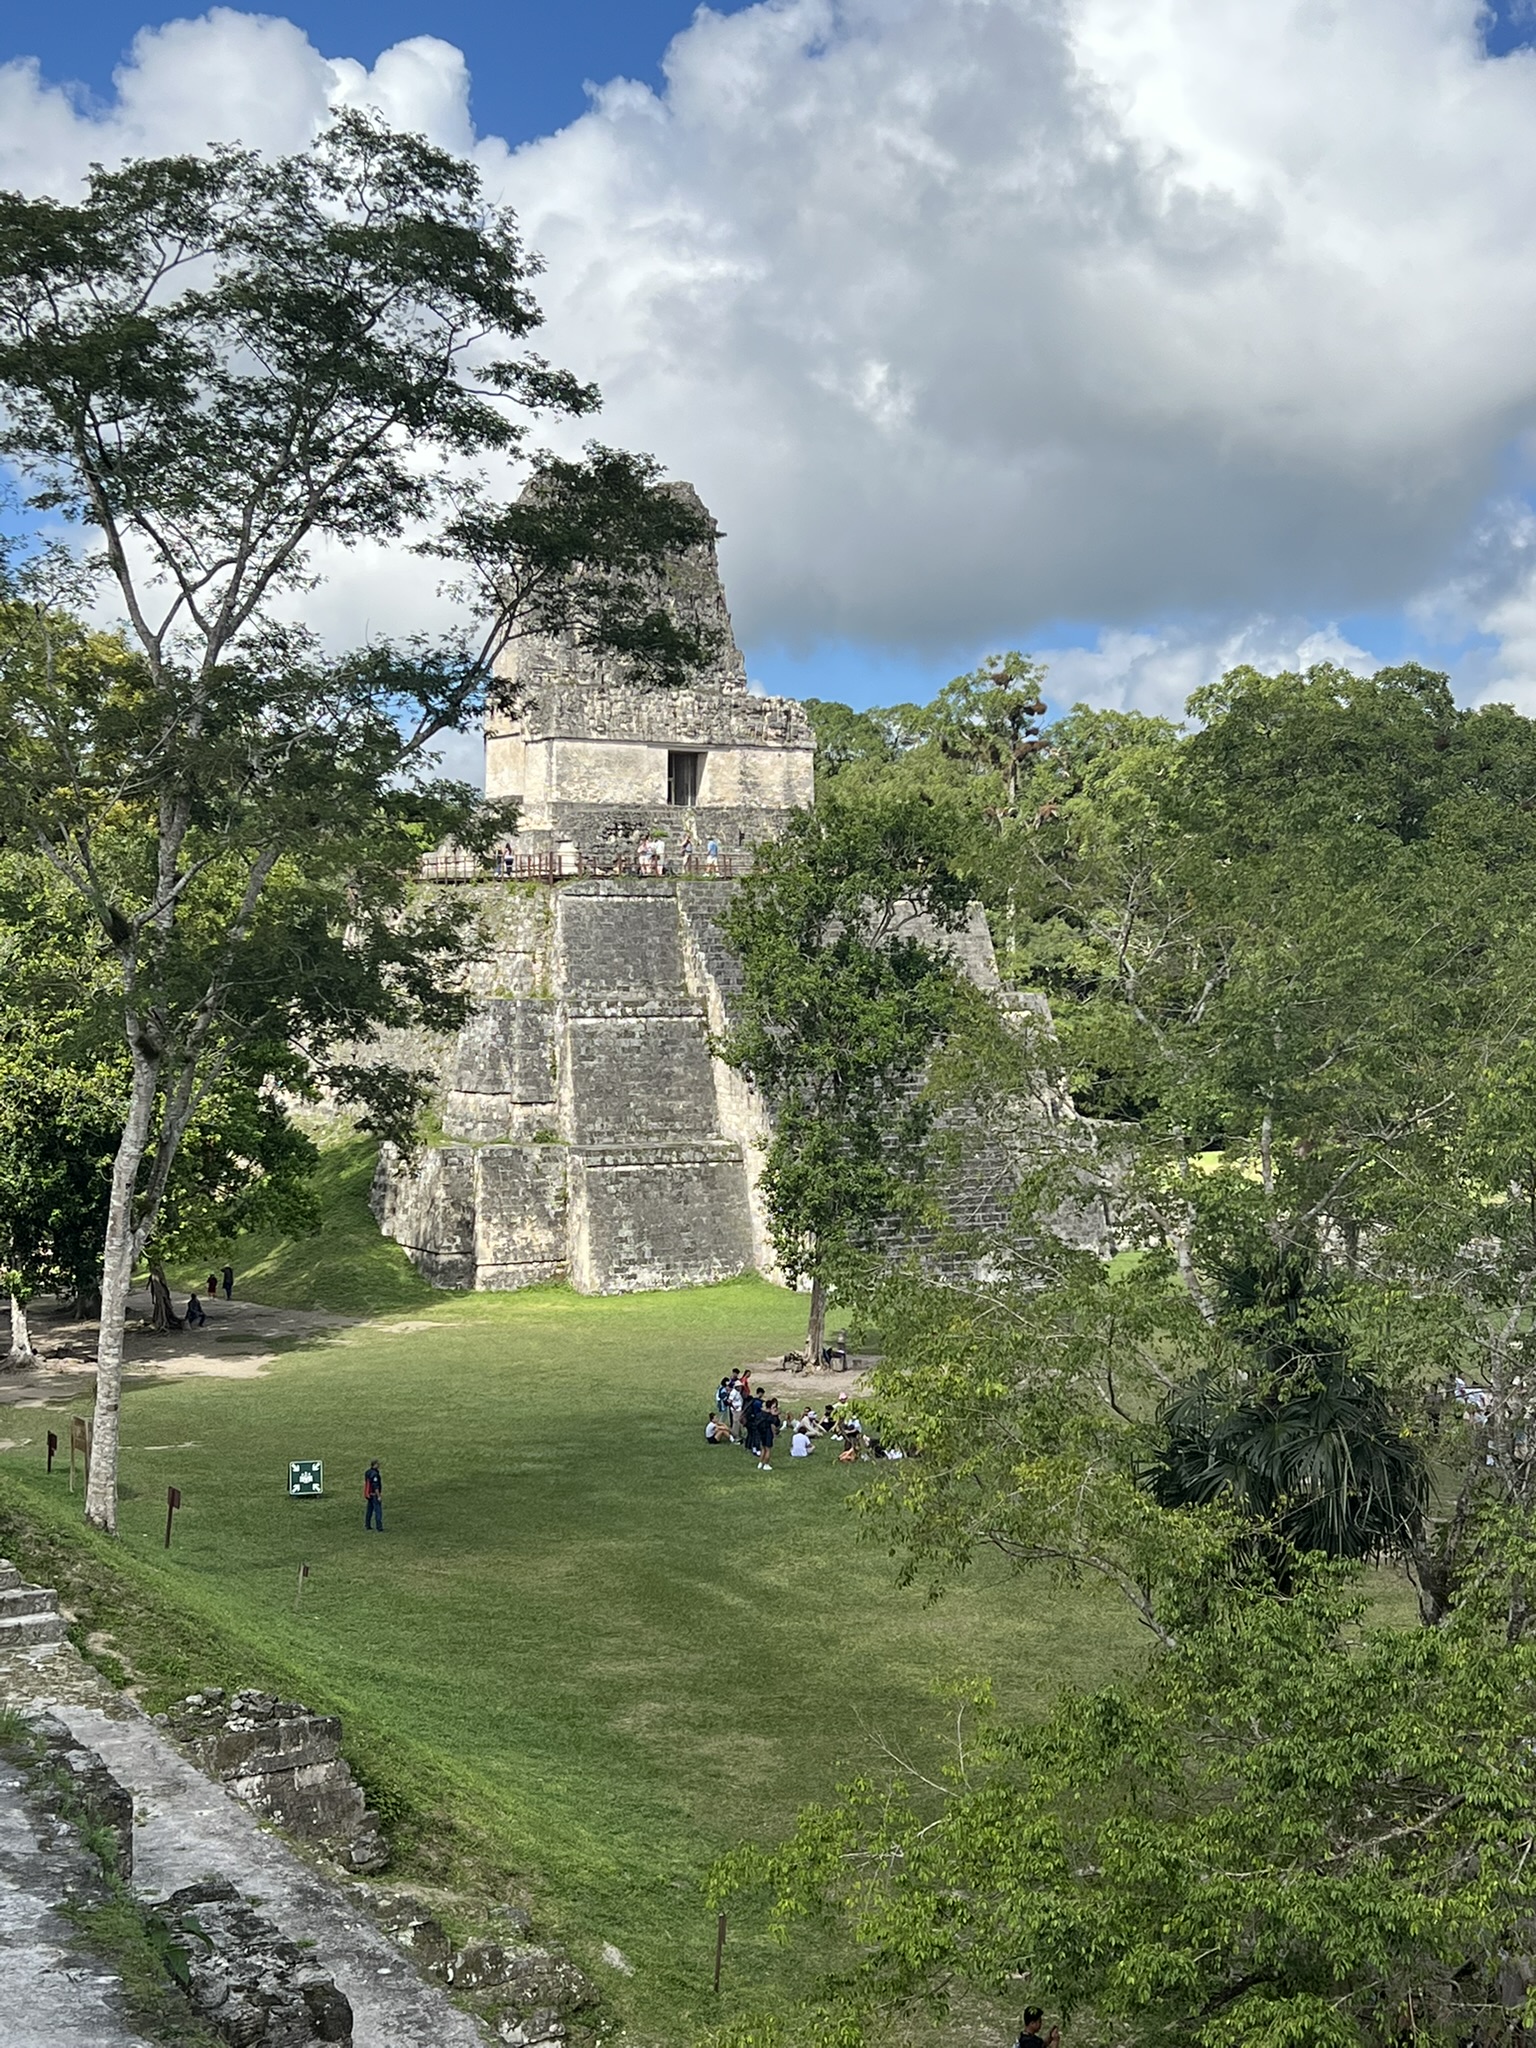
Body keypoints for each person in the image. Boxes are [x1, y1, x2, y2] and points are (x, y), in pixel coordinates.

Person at [364, 1460, 383, 1531]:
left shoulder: (368, 1472)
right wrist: (378, 1496)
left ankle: (367, 1524)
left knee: (369, 1510)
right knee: (378, 1511)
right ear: (374, 1465)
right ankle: (379, 1527)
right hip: (374, 1495)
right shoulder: (375, 1474)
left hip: (369, 1494)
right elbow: (375, 1486)